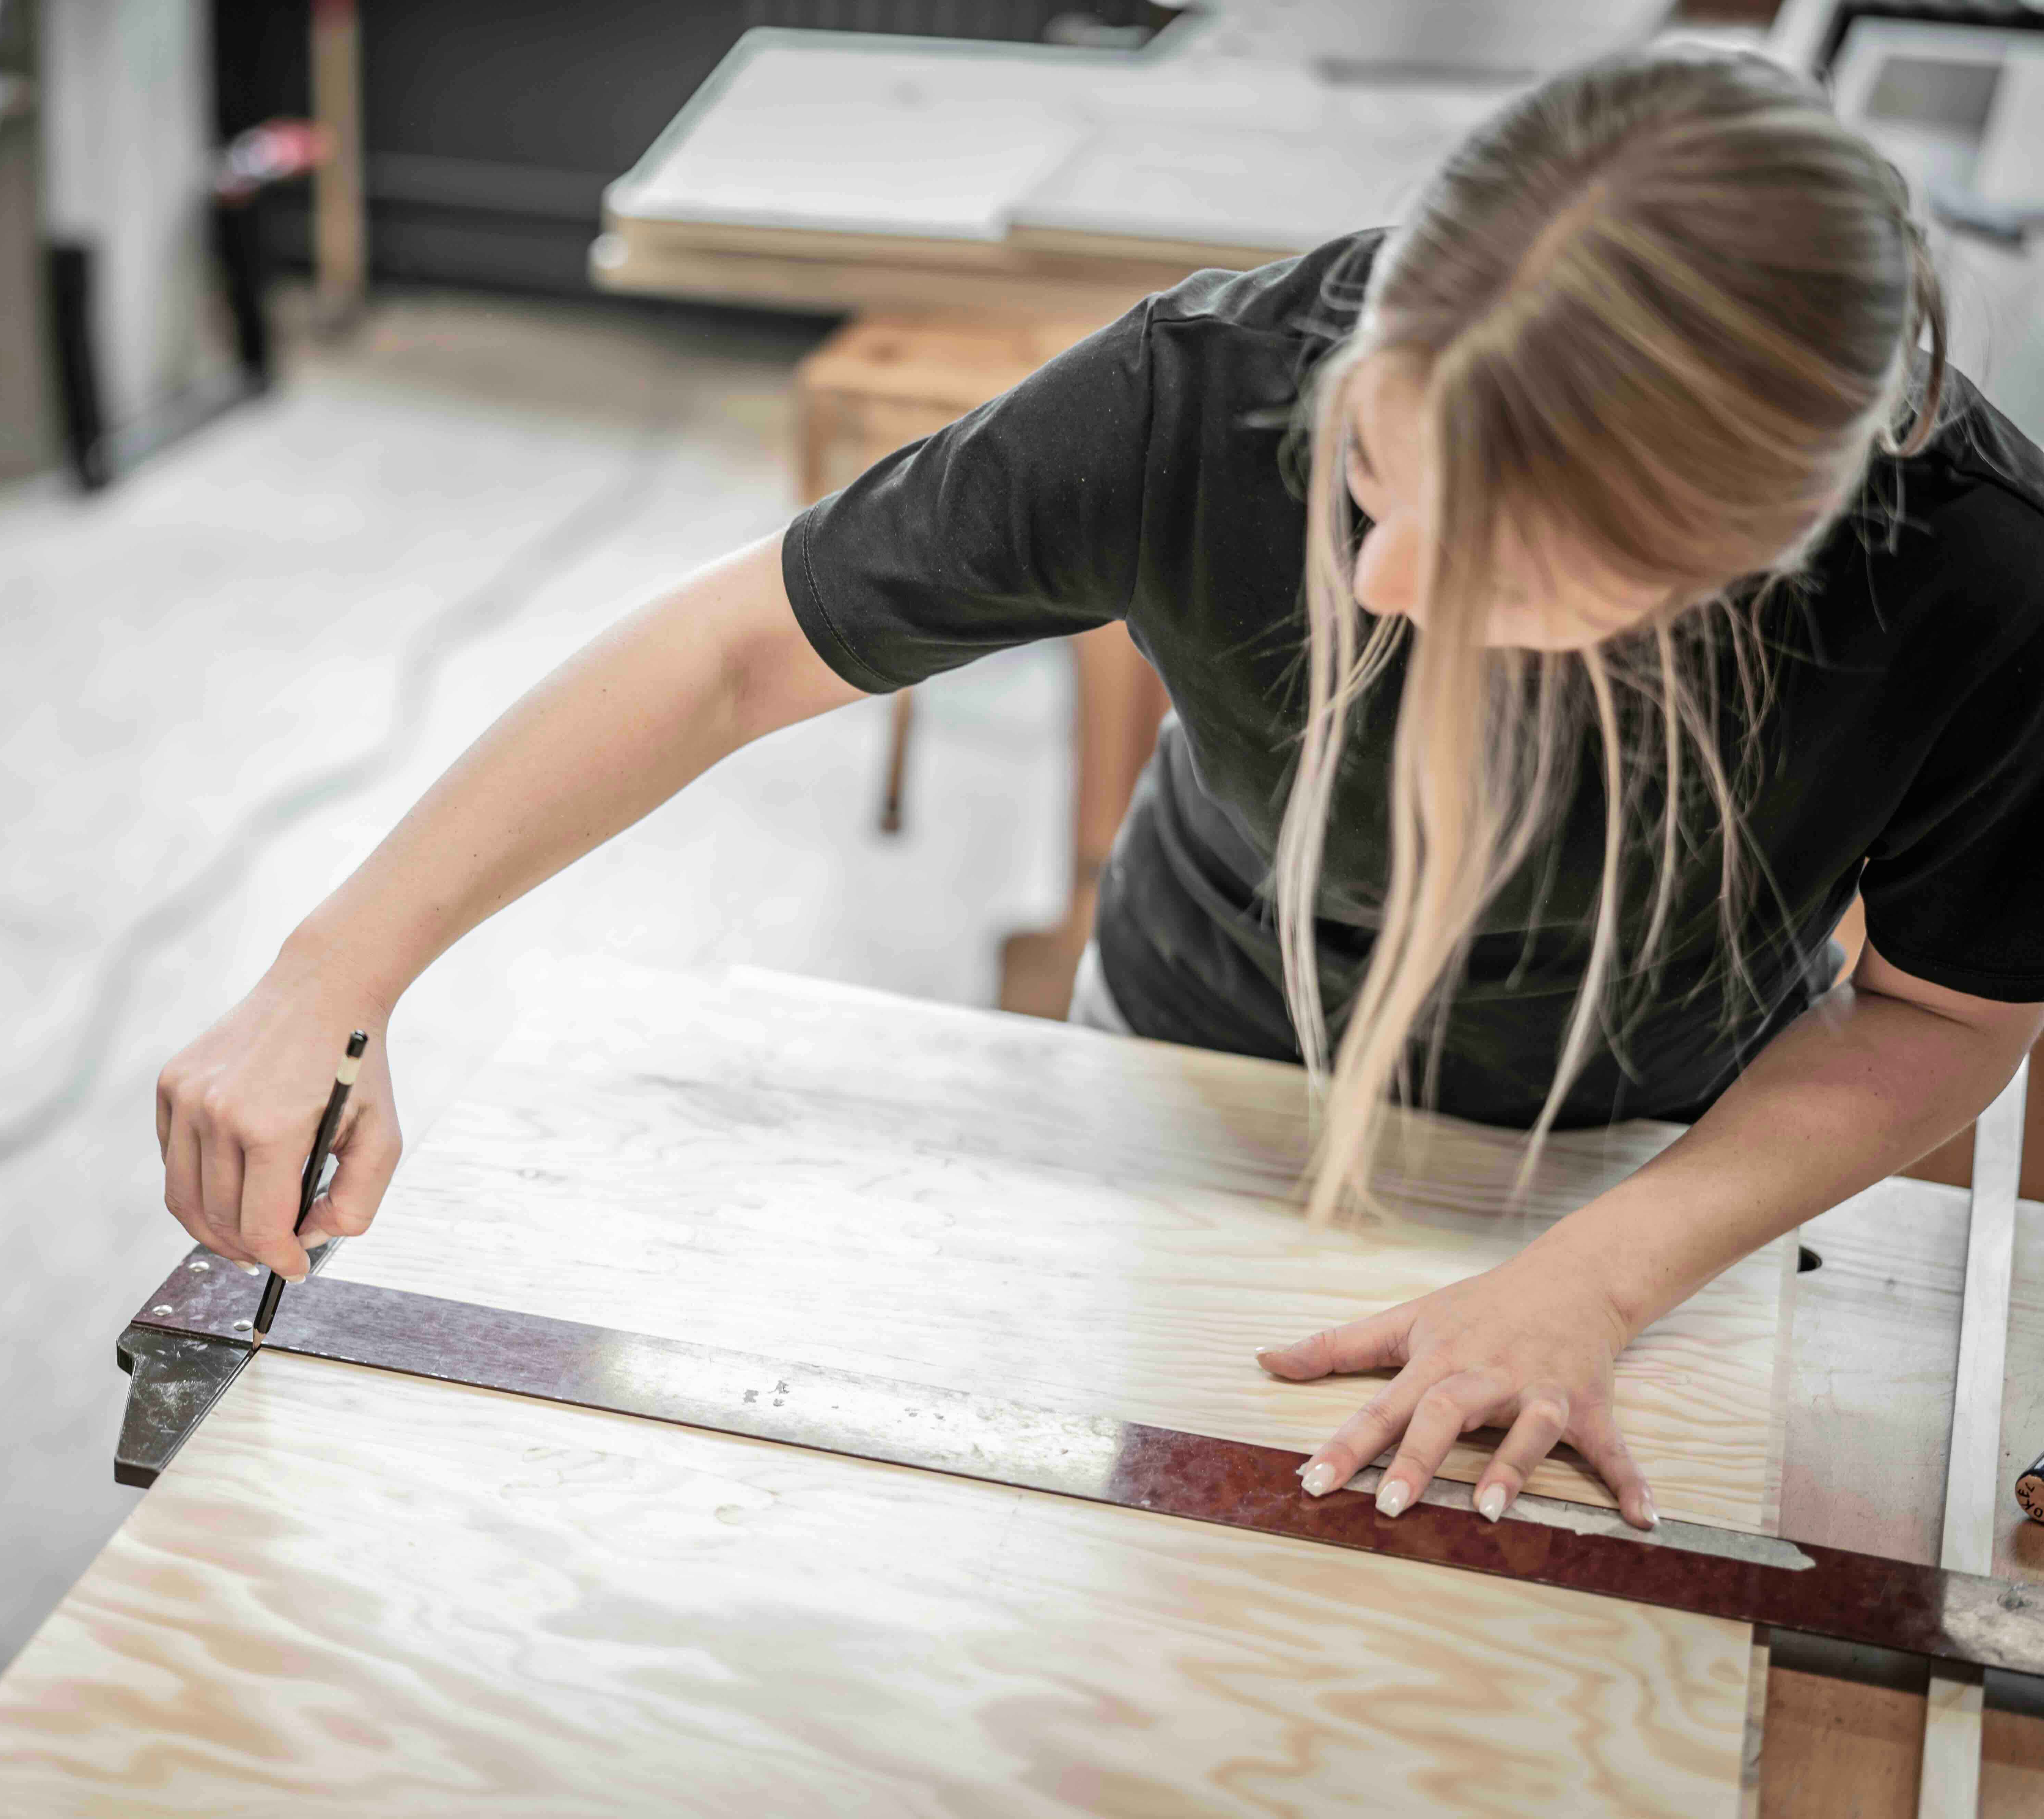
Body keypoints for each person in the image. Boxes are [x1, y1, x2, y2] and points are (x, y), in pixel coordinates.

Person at [155, 47, 2044, 1530]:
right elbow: (740, 647)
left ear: (1749, 555)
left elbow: (1949, 1019)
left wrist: (1603, 1280)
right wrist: (338, 961)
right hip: (1187, 1054)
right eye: (1374, 484)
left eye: (1499, 570)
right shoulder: (1205, 390)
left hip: (1667, 1147)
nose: (1381, 588)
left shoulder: (1974, 575)